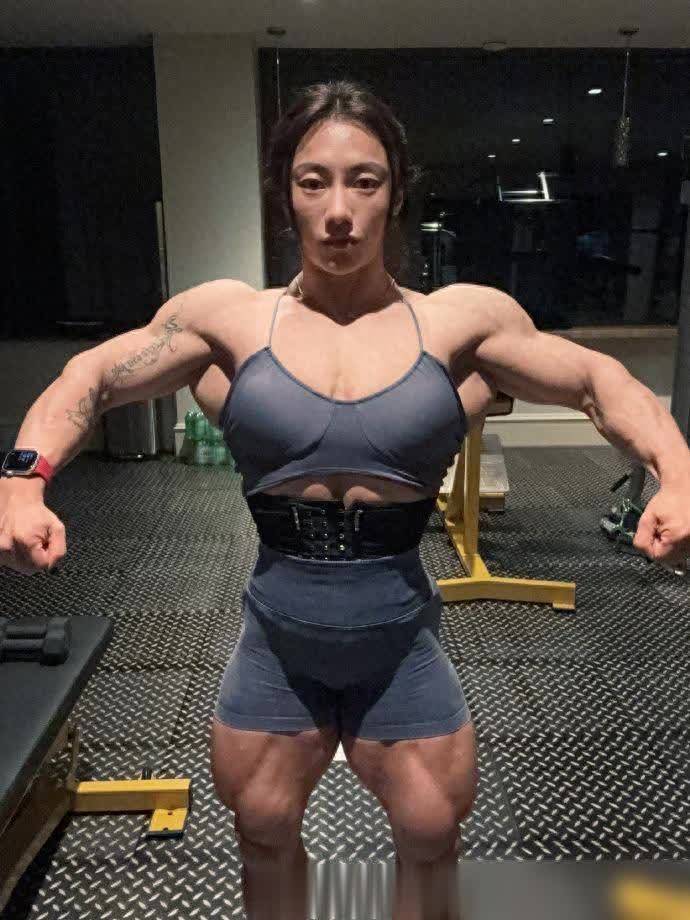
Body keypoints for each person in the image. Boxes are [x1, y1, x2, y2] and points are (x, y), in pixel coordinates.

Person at [1, 80, 689, 920]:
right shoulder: (229, 320)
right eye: (312, 181)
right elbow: (94, 376)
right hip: (277, 639)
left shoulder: (457, 324)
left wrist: (678, 472)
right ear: (284, 194)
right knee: (262, 829)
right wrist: (23, 478)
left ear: (395, 191)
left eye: (364, 181)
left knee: (431, 833)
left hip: (398, 641)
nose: (337, 211)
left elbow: (596, 380)